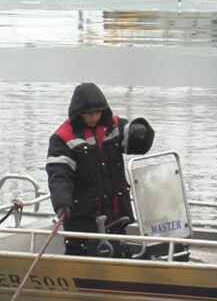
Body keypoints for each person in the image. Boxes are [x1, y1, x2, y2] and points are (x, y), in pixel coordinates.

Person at [46, 82, 155, 256]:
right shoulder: (63, 138)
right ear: (79, 113)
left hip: (116, 213)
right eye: (89, 114)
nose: (95, 117)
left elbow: (137, 145)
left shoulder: (114, 126)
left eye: (98, 112)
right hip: (83, 216)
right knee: (80, 255)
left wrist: (140, 132)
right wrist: (62, 203)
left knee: (119, 251)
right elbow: (59, 175)